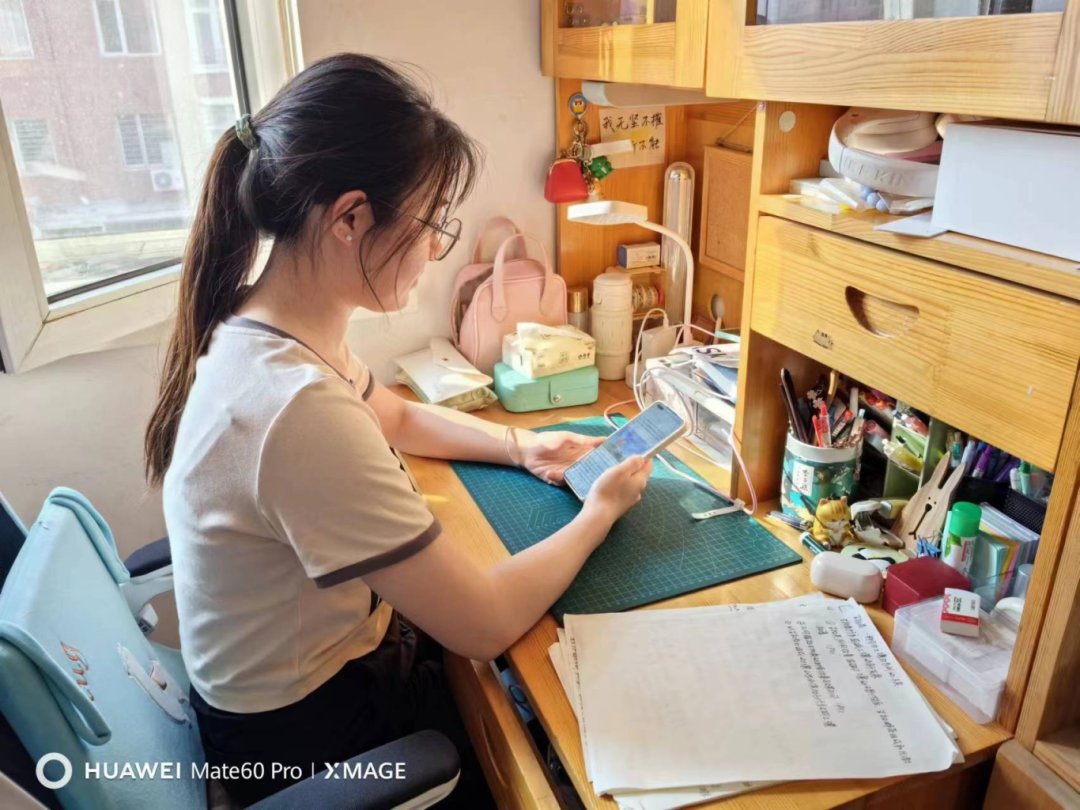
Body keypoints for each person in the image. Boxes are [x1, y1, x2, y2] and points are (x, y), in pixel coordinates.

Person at [145, 53, 652, 807]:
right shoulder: (295, 409)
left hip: (299, 688)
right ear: (349, 218)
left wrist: (523, 445)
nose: (436, 247)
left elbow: (400, 415)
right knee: (535, 724)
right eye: (431, 223)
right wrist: (600, 511)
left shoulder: (269, 327)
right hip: (309, 740)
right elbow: (481, 623)